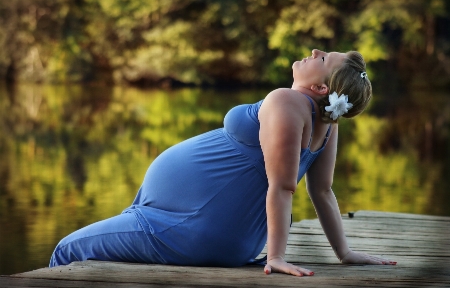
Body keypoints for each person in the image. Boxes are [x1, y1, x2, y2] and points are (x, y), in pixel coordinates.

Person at [49, 49, 396, 277]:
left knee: (66, 251)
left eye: (322, 58)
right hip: (199, 226)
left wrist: (275, 257)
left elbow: (283, 186)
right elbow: (322, 191)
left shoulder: (287, 101)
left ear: (321, 88)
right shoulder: (327, 124)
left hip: (185, 227)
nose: (315, 51)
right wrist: (344, 252)